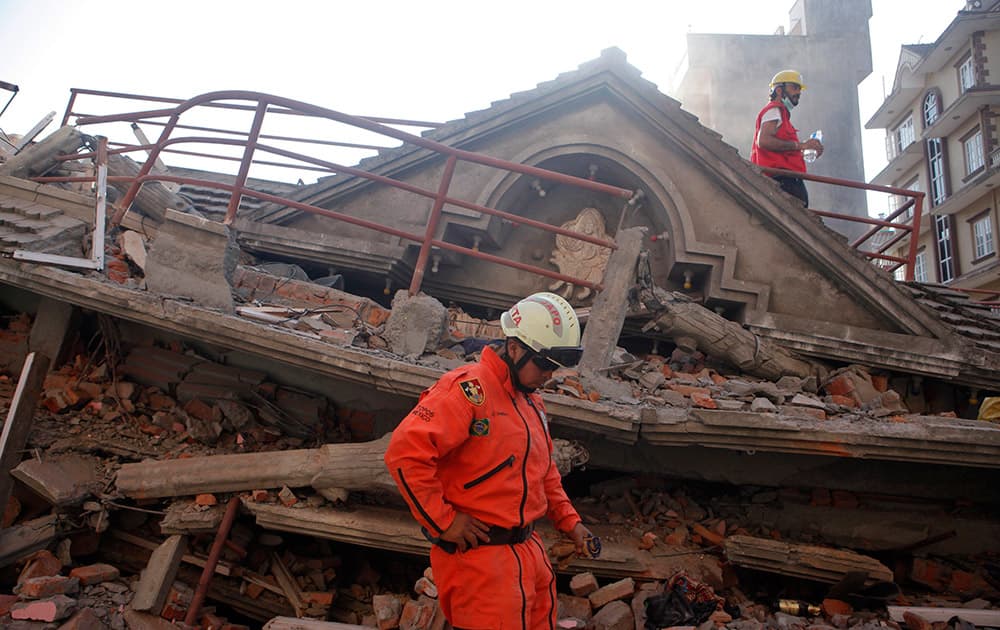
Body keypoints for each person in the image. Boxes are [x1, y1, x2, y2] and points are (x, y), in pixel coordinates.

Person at [384, 291, 597, 630]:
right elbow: (405, 454)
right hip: (481, 566)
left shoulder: (532, 403)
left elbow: (544, 472)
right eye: (544, 364)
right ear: (515, 348)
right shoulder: (466, 391)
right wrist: (445, 522)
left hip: (530, 556)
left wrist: (570, 523)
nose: (549, 376)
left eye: (555, 367)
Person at [750, 69, 824, 207]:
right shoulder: (774, 109)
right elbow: (764, 141)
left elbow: (783, 150)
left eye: (799, 89)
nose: (798, 93)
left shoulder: (781, 115)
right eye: (794, 88)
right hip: (781, 180)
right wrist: (800, 146)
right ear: (779, 90)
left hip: (785, 180)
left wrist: (806, 150)